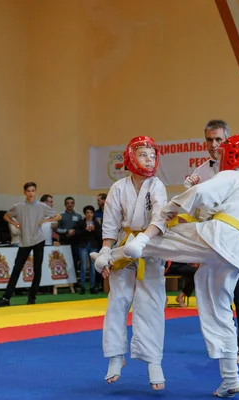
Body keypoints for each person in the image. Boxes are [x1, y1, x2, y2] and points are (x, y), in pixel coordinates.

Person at [105, 135, 239, 398]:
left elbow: (199, 195)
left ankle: (116, 253)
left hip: (218, 238)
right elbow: (208, 209)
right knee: (218, 310)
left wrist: (174, 207)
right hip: (235, 253)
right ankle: (230, 379)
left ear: (231, 155)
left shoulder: (230, 177)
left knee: (159, 238)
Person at [184, 119, 239, 364]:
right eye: (209, 139)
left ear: (227, 141)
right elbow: (193, 210)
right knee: (214, 292)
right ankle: (225, 343)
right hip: (211, 240)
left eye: (218, 140)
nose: (213, 145)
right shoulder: (200, 172)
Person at [90, 136, 168, 391]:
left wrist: (144, 240)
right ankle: (115, 355)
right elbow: (110, 224)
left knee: (151, 304)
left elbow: (161, 218)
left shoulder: (157, 185)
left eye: (153, 155)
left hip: (150, 245)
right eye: (144, 155)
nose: (150, 160)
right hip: (124, 246)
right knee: (117, 301)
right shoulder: (118, 188)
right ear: (131, 158)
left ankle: (153, 361)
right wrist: (104, 252)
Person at [0, 182, 61, 307]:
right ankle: (6, 298)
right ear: (25, 192)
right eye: (28, 191)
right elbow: (6, 216)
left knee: (37, 269)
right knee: (16, 268)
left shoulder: (42, 206)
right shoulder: (19, 206)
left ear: (35, 192)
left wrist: (46, 220)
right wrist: (16, 224)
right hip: (24, 241)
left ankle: (32, 297)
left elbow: (58, 216)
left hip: (39, 240)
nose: (31, 193)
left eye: (33, 190)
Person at [75, 205, 102, 293]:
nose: (89, 214)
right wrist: (85, 230)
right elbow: (77, 233)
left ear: (93, 213)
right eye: (87, 213)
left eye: (91, 212)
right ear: (85, 214)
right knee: (83, 266)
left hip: (93, 245)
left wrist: (95, 229)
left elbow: (100, 235)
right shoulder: (81, 222)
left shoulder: (96, 223)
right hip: (83, 245)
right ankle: (82, 287)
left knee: (93, 267)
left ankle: (92, 287)